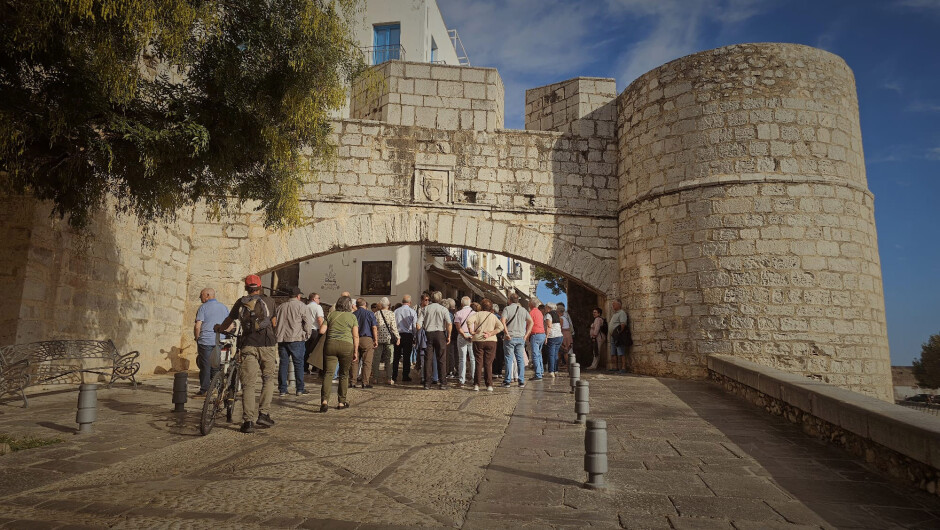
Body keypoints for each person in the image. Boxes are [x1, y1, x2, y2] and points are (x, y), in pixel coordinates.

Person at [214, 275, 277, 434]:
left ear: (246, 288)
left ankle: (248, 422)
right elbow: (274, 323)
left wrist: (220, 329)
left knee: (248, 384)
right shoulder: (269, 301)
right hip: (267, 344)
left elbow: (229, 320)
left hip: (248, 344)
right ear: (260, 287)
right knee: (268, 379)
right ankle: (264, 414)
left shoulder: (241, 302)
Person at [319, 295, 358, 411]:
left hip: (331, 345)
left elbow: (322, 330)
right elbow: (355, 335)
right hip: (347, 345)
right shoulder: (352, 317)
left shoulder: (331, 315)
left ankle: (324, 401)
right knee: (344, 374)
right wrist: (355, 351)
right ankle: (341, 402)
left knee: (328, 373)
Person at [275, 286, 314, 396]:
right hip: (296, 338)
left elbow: (275, 321)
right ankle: (300, 388)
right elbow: (308, 323)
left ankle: (282, 389)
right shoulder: (302, 306)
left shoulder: (281, 307)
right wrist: (307, 335)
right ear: (298, 296)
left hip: (282, 338)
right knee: (299, 364)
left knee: (283, 363)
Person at [193, 288, 229, 396]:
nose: (200, 297)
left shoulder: (203, 307)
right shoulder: (224, 307)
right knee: (216, 366)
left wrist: (197, 337)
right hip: (219, 340)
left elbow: (198, 326)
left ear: (207, 295)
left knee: (205, 366)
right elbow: (229, 324)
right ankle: (216, 389)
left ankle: (204, 390)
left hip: (206, 341)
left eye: (201, 295)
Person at [417, 291, 452, 390]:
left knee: (428, 359)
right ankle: (443, 382)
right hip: (440, 333)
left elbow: (418, 324)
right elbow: (449, 323)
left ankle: (427, 383)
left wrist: (422, 328)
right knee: (441, 358)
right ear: (440, 299)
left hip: (429, 334)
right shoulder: (443, 309)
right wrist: (449, 335)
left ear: (431, 299)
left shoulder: (425, 309)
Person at [468, 298, 505, 392]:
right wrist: (491, 333)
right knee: (488, 363)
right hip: (491, 341)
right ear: (491, 307)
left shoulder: (477, 314)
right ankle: (489, 385)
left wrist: (471, 331)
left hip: (478, 340)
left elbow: (469, 321)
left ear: (481, 306)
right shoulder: (493, 316)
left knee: (478, 362)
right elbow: (501, 327)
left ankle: (477, 384)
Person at [500, 293, 533, 388]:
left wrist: (506, 333)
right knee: (520, 359)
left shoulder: (507, 309)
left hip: (510, 337)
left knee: (509, 359)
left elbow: (502, 321)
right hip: (521, 337)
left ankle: (507, 381)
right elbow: (531, 322)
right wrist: (526, 335)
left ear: (509, 300)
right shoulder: (523, 310)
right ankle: (521, 380)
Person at [374, 297, 400, 385]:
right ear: (388, 304)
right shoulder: (391, 313)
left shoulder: (376, 313)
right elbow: (393, 327)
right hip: (388, 338)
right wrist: (398, 337)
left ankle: (375, 378)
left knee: (376, 359)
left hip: (378, 338)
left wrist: (374, 338)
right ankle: (389, 378)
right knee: (389, 359)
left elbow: (375, 326)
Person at [353, 298, 379, 388]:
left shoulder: (353, 314)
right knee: (367, 362)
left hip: (355, 338)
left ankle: (352, 381)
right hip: (367, 338)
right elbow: (374, 327)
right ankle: (365, 382)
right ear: (365, 305)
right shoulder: (370, 313)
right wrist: (376, 340)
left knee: (355, 361)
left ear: (356, 305)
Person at [393, 295, 417, 383]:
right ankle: (405, 375)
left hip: (397, 335)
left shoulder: (396, 311)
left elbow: (393, 323)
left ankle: (394, 375)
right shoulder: (412, 312)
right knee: (407, 356)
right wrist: (415, 336)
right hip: (408, 335)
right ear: (410, 303)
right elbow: (414, 326)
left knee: (396, 356)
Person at [453, 296, 476, 387]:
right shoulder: (474, 313)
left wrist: (464, 335)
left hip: (462, 336)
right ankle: (474, 378)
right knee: (473, 358)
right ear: (470, 303)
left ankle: (462, 380)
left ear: (462, 304)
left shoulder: (458, 313)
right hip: (472, 335)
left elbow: (458, 327)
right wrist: (472, 335)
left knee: (462, 358)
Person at [304, 292, 325, 373]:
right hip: (315, 330)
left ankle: (305, 368)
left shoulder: (306, 307)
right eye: (318, 298)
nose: (319, 300)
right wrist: (322, 328)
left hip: (307, 330)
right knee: (316, 350)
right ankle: (315, 368)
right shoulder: (317, 307)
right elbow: (320, 319)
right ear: (314, 299)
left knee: (306, 350)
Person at [543, 303, 564, 378]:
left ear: (548, 308)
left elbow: (549, 326)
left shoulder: (548, 315)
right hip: (559, 336)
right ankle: (556, 370)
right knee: (555, 354)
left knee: (551, 354)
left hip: (552, 336)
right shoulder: (556, 314)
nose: (545, 309)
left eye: (546, 307)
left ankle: (551, 371)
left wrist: (546, 337)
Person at [609, 300, 630, 373]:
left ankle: (623, 368)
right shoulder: (615, 314)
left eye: (614, 304)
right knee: (613, 352)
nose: (613, 305)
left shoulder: (622, 313)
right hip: (613, 335)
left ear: (619, 305)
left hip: (618, 336)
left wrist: (618, 333)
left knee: (620, 351)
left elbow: (623, 324)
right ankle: (615, 367)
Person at [527, 298, 546, 380]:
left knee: (535, 354)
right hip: (542, 334)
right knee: (539, 354)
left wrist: (526, 335)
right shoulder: (539, 312)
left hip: (535, 334)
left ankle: (538, 374)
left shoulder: (531, 313)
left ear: (531, 304)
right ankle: (541, 371)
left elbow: (528, 324)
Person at [558, 302, 574, 369]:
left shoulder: (561, 318)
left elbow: (560, 328)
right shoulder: (565, 317)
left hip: (564, 335)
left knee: (564, 351)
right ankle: (564, 365)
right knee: (564, 351)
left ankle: (566, 365)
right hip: (568, 335)